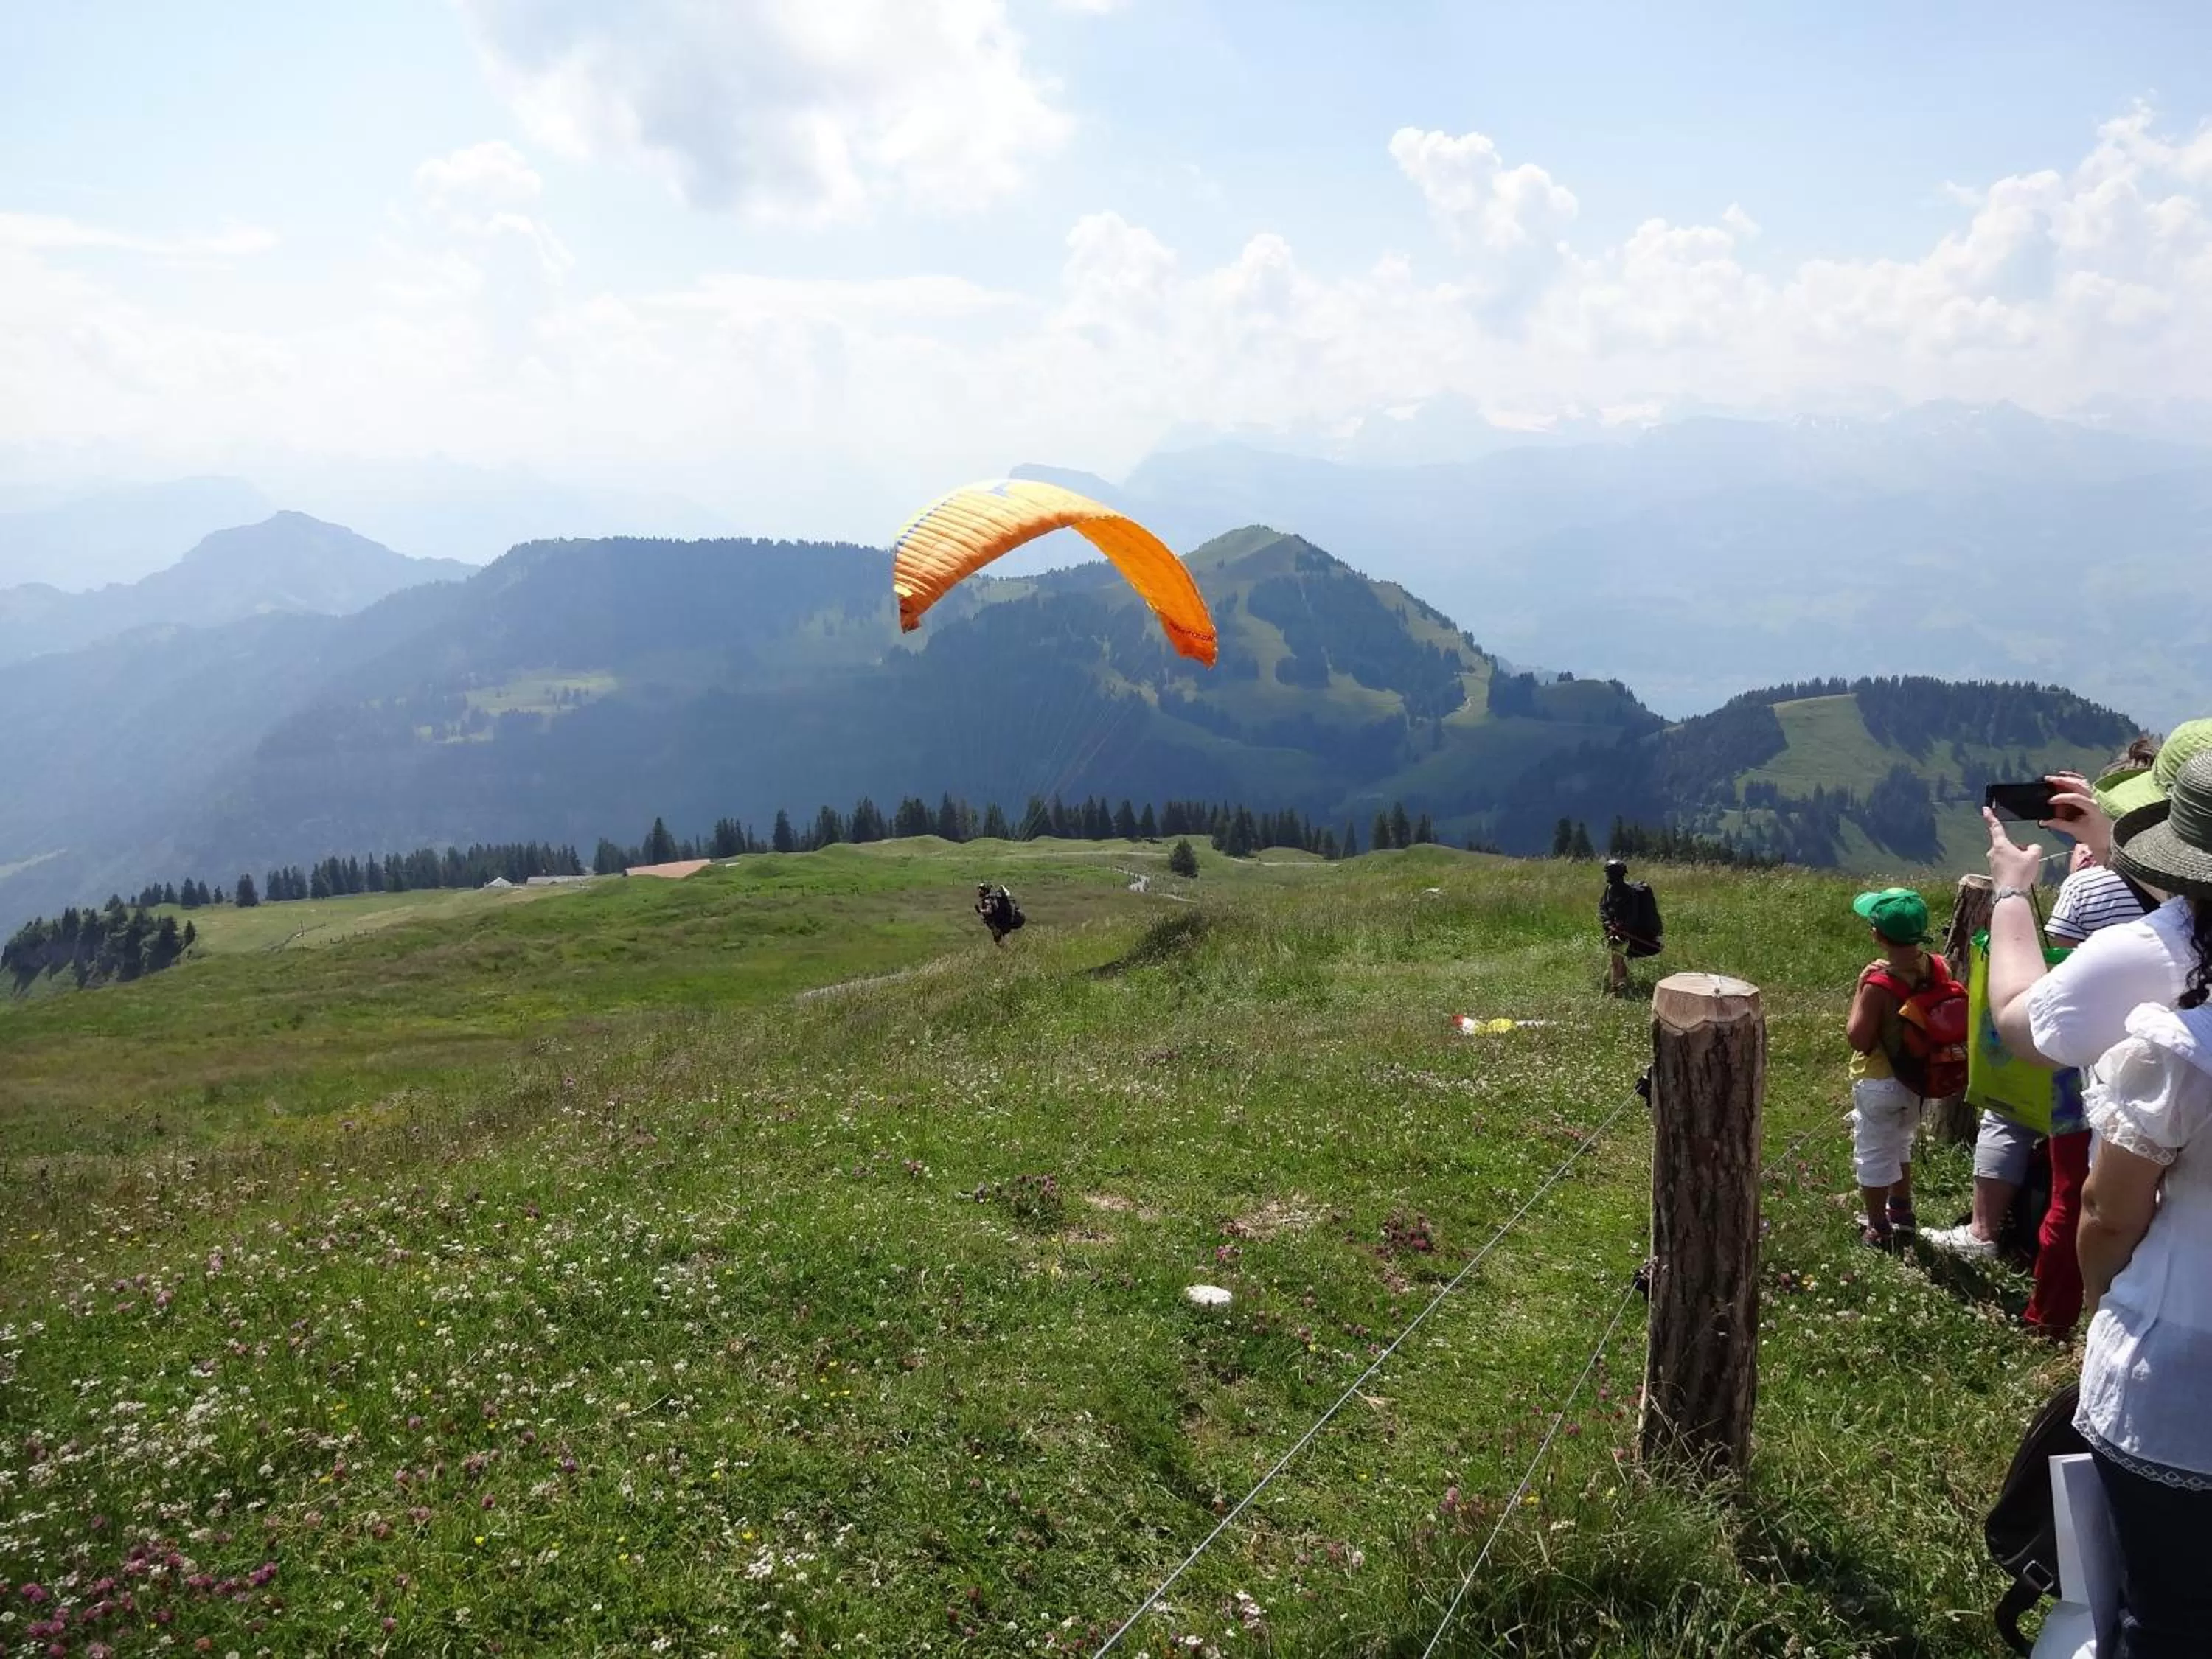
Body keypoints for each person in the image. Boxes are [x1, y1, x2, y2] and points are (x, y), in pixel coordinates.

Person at [1924, 740, 2166, 1338]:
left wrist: (2012, 889)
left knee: (2075, 1194)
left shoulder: (2087, 890)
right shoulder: (2186, 921)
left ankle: (2052, 1318)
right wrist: (2110, 844)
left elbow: (2042, 994)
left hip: (2091, 1068)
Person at [2069, 755, 2212, 1655]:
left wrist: (2097, 1298)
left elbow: (2110, 1212)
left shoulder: (2182, 1053)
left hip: (2183, 1382)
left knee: (2170, 1621)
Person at [1846, 886, 1957, 1249]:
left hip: (1879, 1080)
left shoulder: (1878, 985)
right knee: (1901, 1142)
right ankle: (1902, 1210)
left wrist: (1860, 987)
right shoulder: (1939, 966)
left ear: (1877, 935)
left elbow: (1859, 1039)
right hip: (1919, 1078)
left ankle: (1878, 1226)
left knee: (1874, 1151)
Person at [1598, 859, 1660, 995]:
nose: (1607, 876)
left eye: (1609, 873)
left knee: (1616, 958)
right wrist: (1608, 923)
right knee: (1616, 958)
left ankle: (1618, 987)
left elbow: (1633, 915)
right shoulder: (1609, 890)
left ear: (1616, 874)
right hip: (1613, 930)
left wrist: (1622, 928)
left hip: (1624, 932)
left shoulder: (1628, 892)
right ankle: (1620, 985)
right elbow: (1603, 907)